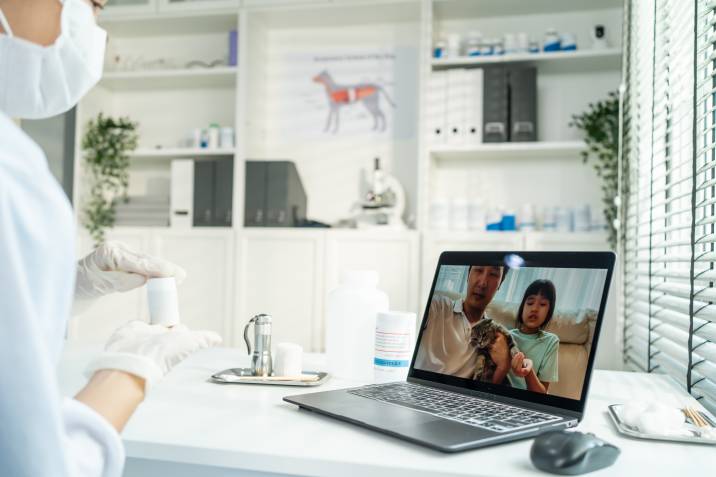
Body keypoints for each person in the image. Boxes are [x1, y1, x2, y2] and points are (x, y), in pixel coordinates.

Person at [0, 1, 221, 476]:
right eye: (93, 4)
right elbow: (39, 468)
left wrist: (70, 288)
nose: (95, 25)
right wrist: (127, 372)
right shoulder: (10, 173)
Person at [415, 265, 513, 383]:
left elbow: (485, 394)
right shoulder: (437, 306)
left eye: (493, 274)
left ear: (500, 285)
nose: (482, 283)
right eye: (479, 270)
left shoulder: (494, 335)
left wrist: (503, 367)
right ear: (468, 275)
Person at [508, 279, 560, 394]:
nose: (535, 309)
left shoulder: (551, 341)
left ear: (549, 311)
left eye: (542, 304)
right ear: (522, 307)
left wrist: (528, 371)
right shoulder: (507, 336)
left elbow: (542, 394)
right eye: (530, 303)